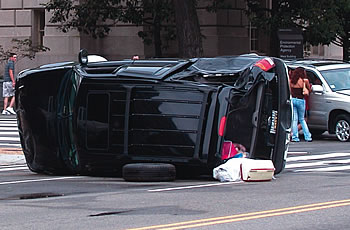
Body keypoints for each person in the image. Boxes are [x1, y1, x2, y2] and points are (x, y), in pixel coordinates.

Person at [290, 67, 312, 142]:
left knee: (294, 119)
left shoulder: (291, 81)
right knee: (302, 119)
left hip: (293, 99)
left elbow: (290, 91)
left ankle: (295, 137)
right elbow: (309, 90)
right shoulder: (304, 80)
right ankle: (307, 136)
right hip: (300, 99)